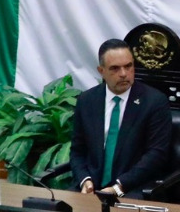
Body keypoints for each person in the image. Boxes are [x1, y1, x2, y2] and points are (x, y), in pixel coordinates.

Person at [71, 38, 173, 198]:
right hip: (93, 187)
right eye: (115, 68)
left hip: (134, 187)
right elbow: (77, 151)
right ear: (101, 71)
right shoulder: (87, 101)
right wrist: (85, 181)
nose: (124, 74)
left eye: (128, 66)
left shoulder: (154, 102)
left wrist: (118, 187)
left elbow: (156, 155)